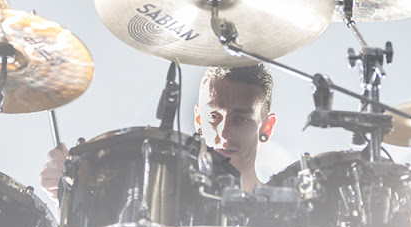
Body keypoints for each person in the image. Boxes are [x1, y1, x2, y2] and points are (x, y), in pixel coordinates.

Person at [40, 63, 276, 200]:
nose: (223, 133)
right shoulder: (158, 205)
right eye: (214, 117)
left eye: (241, 119)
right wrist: (70, 194)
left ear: (267, 127)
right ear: (198, 119)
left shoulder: (283, 216)